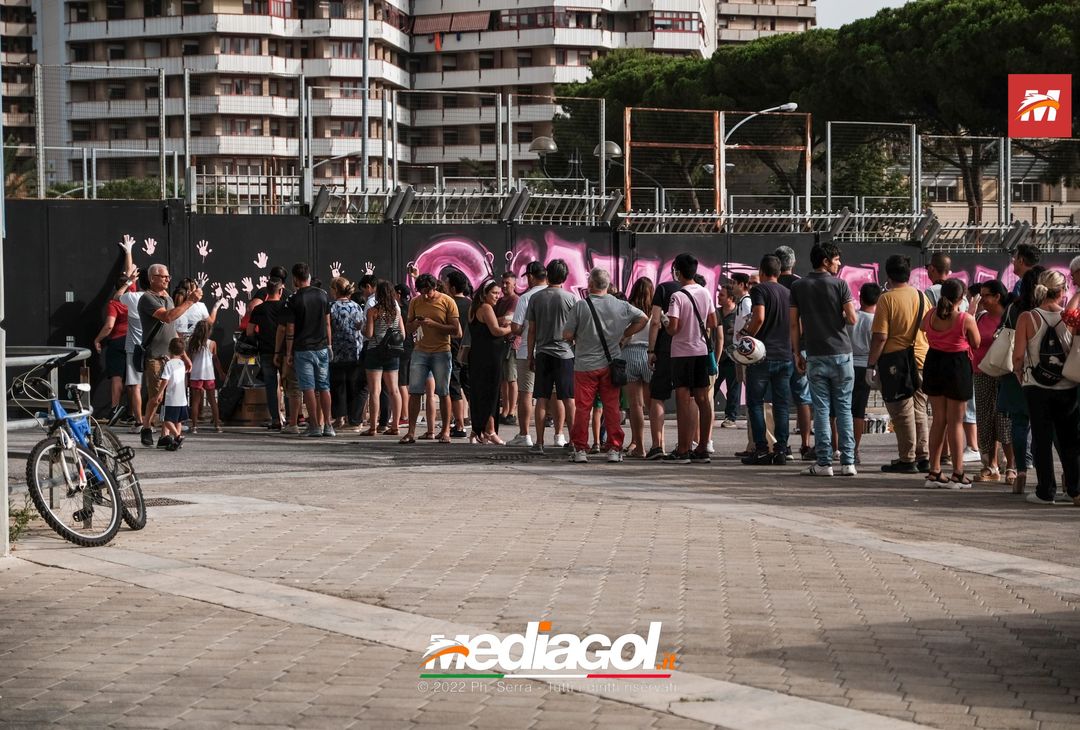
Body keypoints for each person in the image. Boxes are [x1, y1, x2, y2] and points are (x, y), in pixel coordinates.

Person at [562, 268, 647, 463]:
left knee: (583, 408)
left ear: (590, 285)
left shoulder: (581, 306)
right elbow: (643, 318)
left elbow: (567, 334)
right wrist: (625, 334)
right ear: (607, 285)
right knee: (612, 408)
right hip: (611, 364)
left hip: (585, 365)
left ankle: (580, 449)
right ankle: (614, 448)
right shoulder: (621, 305)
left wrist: (576, 336)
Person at [1012, 270, 1080, 505]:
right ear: (1062, 291)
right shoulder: (1070, 318)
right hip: (1067, 385)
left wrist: (1020, 376)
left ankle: (1045, 491)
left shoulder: (1027, 318)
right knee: (1070, 440)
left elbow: (1018, 357)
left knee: (1041, 439)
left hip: (1036, 386)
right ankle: (1075, 490)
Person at [790, 242, 858, 477]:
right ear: (826, 261)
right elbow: (852, 319)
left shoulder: (799, 286)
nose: (839, 263)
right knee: (844, 409)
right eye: (837, 259)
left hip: (815, 354)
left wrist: (797, 353)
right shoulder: (840, 285)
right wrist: (838, 312)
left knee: (821, 409)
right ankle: (848, 462)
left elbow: (793, 324)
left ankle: (824, 462)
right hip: (841, 353)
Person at [868, 255, 932, 474]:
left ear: (888, 275)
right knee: (920, 409)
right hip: (922, 358)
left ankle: (908, 458)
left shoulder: (887, 299)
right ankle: (924, 456)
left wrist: (871, 364)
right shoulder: (922, 297)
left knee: (902, 411)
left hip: (896, 362)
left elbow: (880, 336)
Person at [921, 279, 980, 488]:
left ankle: (934, 471)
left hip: (934, 363)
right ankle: (958, 472)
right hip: (956, 366)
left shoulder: (930, 315)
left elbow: (923, 329)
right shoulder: (965, 318)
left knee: (938, 420)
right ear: (962, 297)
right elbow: (976, 342)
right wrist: (971, 313)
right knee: (956, 421)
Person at [138, 263, 202, 447]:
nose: (167, 279)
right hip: (155, 355)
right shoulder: (147, 299)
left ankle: (164, 435)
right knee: (156, 396)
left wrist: (182, 354)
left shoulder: (167, 298)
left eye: (168, 276)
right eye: (163, 276)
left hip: (169, 356)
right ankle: (146, 427)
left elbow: (172, 330)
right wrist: (190, 301)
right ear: (152, 278)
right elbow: (167, 317)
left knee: (169, 397)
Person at [664, 254, 717, 464]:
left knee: (683, 401)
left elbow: (674, 328)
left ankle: (683, 448)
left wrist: (665, 323)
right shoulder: (705, 292)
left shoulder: (677, 297)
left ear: (677, 271)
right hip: (701, 351)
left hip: (681, 352)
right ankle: (703, 446)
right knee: (703, 400)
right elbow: (713, 321)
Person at [741, 255, 791, 466]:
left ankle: (761, 448)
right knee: (781, 404)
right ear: (778, 273)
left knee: (755, 403)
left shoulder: (759, 290)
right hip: (785, 354)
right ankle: (781, 449)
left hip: (762, 355)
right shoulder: (788, 293)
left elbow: (759, 317)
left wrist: (747, 333)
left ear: (762, 271)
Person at [998, 266, 1044, 495]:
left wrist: (1017, 369)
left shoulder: (1013, 308)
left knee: (1018, 422)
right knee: (1051, 424)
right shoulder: (1047, 310)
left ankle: (1019, 472)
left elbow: (1002, 335)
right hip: (1046, 373)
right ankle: (1065, 475)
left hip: (1016, 372)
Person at [401, 273, 461, 444]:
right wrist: (416, 324)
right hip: (420, 350)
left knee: (443, 391)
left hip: (441, 350)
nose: (426, 295)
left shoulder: (447, 301)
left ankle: (445, 430)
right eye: (422, 292)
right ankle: (411, 432)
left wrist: (434, 325)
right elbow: (408, 327)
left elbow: (455, 330)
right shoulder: (415, 302)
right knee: (415, 392)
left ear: (435, 288)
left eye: (429, 291)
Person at [526, 259, 577, 456]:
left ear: (547, 274)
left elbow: (531, 330)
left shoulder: (536, 298)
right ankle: (573, 441)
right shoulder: (571, 299)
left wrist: (531, 355)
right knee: (568, 399)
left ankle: (538, 442)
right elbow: (576, 330)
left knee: (541, 398)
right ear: (565, 276)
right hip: (565, 354)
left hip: (543, 353)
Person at [971, 280, 1014, 483]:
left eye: (986, 295)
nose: (983, 299)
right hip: (981, 372)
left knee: (1005, 418)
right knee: (985, 417)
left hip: (1005, 372)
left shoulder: (1010, 317)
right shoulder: (980, 317)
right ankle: (991, 464)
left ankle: (1012, 466)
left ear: (997, 296)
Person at [284, 262, 334, 438]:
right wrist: (329, 345)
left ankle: (314, 425)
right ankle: (328, 425)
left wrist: (288, 353)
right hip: (321, 347)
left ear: (296, 279)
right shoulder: (323, 295)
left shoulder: (294, 299)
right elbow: (328, 323)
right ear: (309, 277)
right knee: (324, 386)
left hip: (302, 348)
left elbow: (290, 329)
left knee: (308, 388)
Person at [776, 246, 813, 459]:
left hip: (778, 347)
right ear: (793, 262)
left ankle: (781, 445)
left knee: (778, 400)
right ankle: (806, 443)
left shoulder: (772, 285)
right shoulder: (801, 284)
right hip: (801, 348)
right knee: (803, 398)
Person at [645, 268, 686, 461]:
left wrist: (651, 350)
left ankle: (657, 445)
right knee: (688, 397)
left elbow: (655, 322)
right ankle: (686, 445)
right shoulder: (699, 290)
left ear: (675, 270)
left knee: (658, 396)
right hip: (692, 350)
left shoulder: (663, 289)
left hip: (666, 349)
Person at [508, 262, 549, 448]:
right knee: (555, 394)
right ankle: (559, 435)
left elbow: (515, 327)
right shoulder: (560, 295)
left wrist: (520, 328)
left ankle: (525, 434)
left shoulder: (526, 298)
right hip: (553, 351)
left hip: (527, 350)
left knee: (526, 393)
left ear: (531, 277)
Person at [467, 280, 512, 444]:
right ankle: (490, 431)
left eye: (498, 293)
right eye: (494, 293)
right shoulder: (486, 307)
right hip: (490, 357)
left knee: (479, 394)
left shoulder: (474, 308)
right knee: (492, 394)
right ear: (485, 293)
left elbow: (485, 326)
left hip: (478, 356)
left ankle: (477, 431)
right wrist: (512, 328)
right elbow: (496, 331)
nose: (497, 296)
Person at [360, 280, 405, 437]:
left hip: (375, 351)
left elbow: (370, 334)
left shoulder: (373, 311)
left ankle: (373, 427)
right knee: (394, 390)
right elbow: (403, 334)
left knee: (375, 391)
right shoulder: (396, 311)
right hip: (392, 352)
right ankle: (395, 426)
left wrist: (361, 328)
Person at [94, 270, 136, 420]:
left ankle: (115, 410)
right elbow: (130, 270)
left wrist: (97, 339)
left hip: (117, 341)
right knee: (132, 380)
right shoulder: (135, 299)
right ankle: (132, 414)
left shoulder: (115, 303)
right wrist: (129, 252)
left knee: (117, 378)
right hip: (134, 341)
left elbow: (109, 326)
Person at [247, 278, 287, 430]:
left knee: (271, 386)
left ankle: (275, 419)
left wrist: (257, 338)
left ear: (266, 292)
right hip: (284, 350)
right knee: (288, 385)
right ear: (280, 291)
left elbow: (250, 331)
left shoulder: (259, 309)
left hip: (265, 350)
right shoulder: (285, 306)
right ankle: (292, 419)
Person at [622, 277, 654, 458]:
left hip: (630, 354)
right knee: (653, 404)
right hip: (650, 354)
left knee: (635, 405)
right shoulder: (657, 310)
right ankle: (659, 443)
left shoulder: (628, 309)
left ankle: (639, 447)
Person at [849, 283, 880, 465]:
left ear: (860, 298)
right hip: (865, 366)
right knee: (858, 411)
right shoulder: (875, 321)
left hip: (847, 363)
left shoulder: (851, 318)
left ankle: (837, 446)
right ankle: (854, 449)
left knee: (841, 408)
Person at [329, 277, 364, 431]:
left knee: (337, 386)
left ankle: (339, 418)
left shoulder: (331, 307)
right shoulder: (356, 306)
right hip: (355, 349)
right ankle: (354, 419)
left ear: (335, 290)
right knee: (353, 386)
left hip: (337, 350)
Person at [443, 269, 472, 438]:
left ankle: (459, 425)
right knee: (469, 388)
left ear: (452, 288)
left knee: (454, 387)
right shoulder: (471, 304)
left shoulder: (448, 303)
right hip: (470, 350)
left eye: (447, 284)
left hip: (452, 349)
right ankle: (478, 424)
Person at [186, 320, 225, 433]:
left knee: (195, 402)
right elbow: (216, 359)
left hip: (196, 375)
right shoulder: (212, 343)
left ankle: (194, 426)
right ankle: (217, 425)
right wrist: (221, 372)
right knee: (212, 401)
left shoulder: (191, 343)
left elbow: (188, 358)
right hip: (209, 375)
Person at [154, 337, 190, 451]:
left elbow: (165, 380)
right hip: (182, 398)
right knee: (178, 420)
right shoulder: (182, 363)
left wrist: (159, 393)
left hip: (171, 398)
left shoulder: (169, 364)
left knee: (165, 419)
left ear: (169, 349)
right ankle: (176, 440)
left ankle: (178, 437)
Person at [496, 271, 519, 427]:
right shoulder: (499, 301)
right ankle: (505, 409)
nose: (504, 285)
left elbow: (506, 320)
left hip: (511, 343)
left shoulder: (515, 300)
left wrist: (492, 321)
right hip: (501, 343)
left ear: (514, 284)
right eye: (503, 282)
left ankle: (512, 411)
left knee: (511, 378)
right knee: (503, 379)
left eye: (507, 283)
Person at [716, 283, 740, 429]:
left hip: (732, 358)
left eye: (722, 295)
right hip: (718, 357)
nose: (718, 297)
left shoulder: (738, 315)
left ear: (731, 298)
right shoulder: (716, 313)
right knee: (711, 387)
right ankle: (705, 414)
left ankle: (731, 417)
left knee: (733, 389)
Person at [394, 283, 414, 428]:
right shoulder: (411, 307)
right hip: (410, 347)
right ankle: (405, 414)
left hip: (401, 347)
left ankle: (404, 414)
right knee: (405, 381)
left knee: (401, 382)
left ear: (398, 293)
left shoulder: (400, 310)